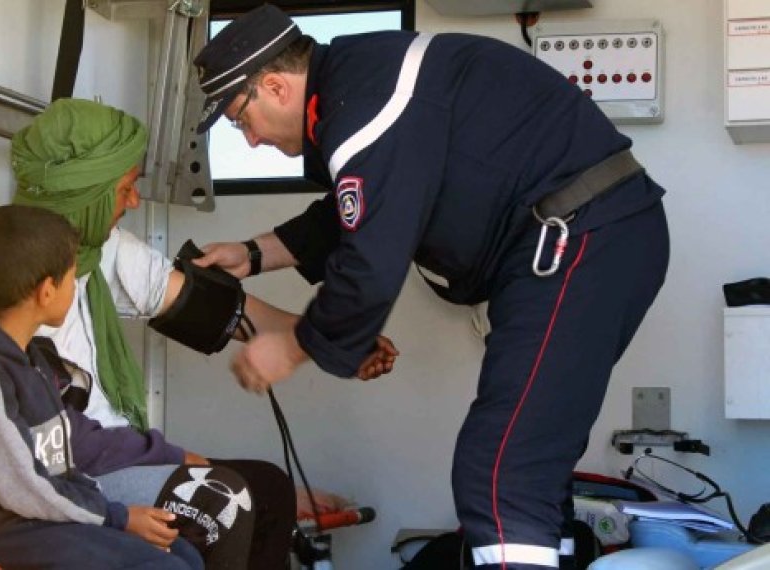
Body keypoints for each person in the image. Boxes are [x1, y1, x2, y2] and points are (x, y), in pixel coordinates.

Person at [190, 5, 670, 570]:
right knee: (532, 466)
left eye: (240, 119)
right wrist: (250, 255)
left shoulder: (365, 105)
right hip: (594, 237)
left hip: (577, 239)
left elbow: (371, 257)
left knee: (501, 469)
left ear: (273, 86)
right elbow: (358, 208)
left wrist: (292, 346)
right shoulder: (361, 82)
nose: (248, 141)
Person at [0, 98, 395, 569]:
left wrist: (329, 339)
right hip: (74, 470)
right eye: (126, 188)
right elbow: (31, 449)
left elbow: (212, 310)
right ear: (87, 192)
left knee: (270, 488)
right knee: (224, 500)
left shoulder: (102, 249)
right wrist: (169, 467)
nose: (134, 202)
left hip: (108, 452)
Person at [0, 204, 203, 569]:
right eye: (73, 277)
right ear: (47, 291)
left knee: (182, 555)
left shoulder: (32, 359)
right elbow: (21, 485)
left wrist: (110, 512)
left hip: (40, 520)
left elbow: (60, 463)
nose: (77, 287)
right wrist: (116, 517)